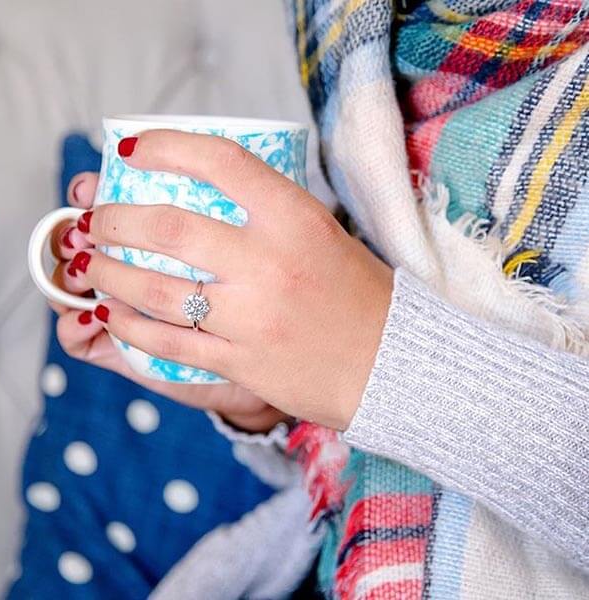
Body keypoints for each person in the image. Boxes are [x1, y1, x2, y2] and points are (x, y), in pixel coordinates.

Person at [48, 0, 589, 597]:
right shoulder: (339, 15)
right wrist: (277, 396)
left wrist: (383, 366)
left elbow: (387, 359)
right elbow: (371, 457)